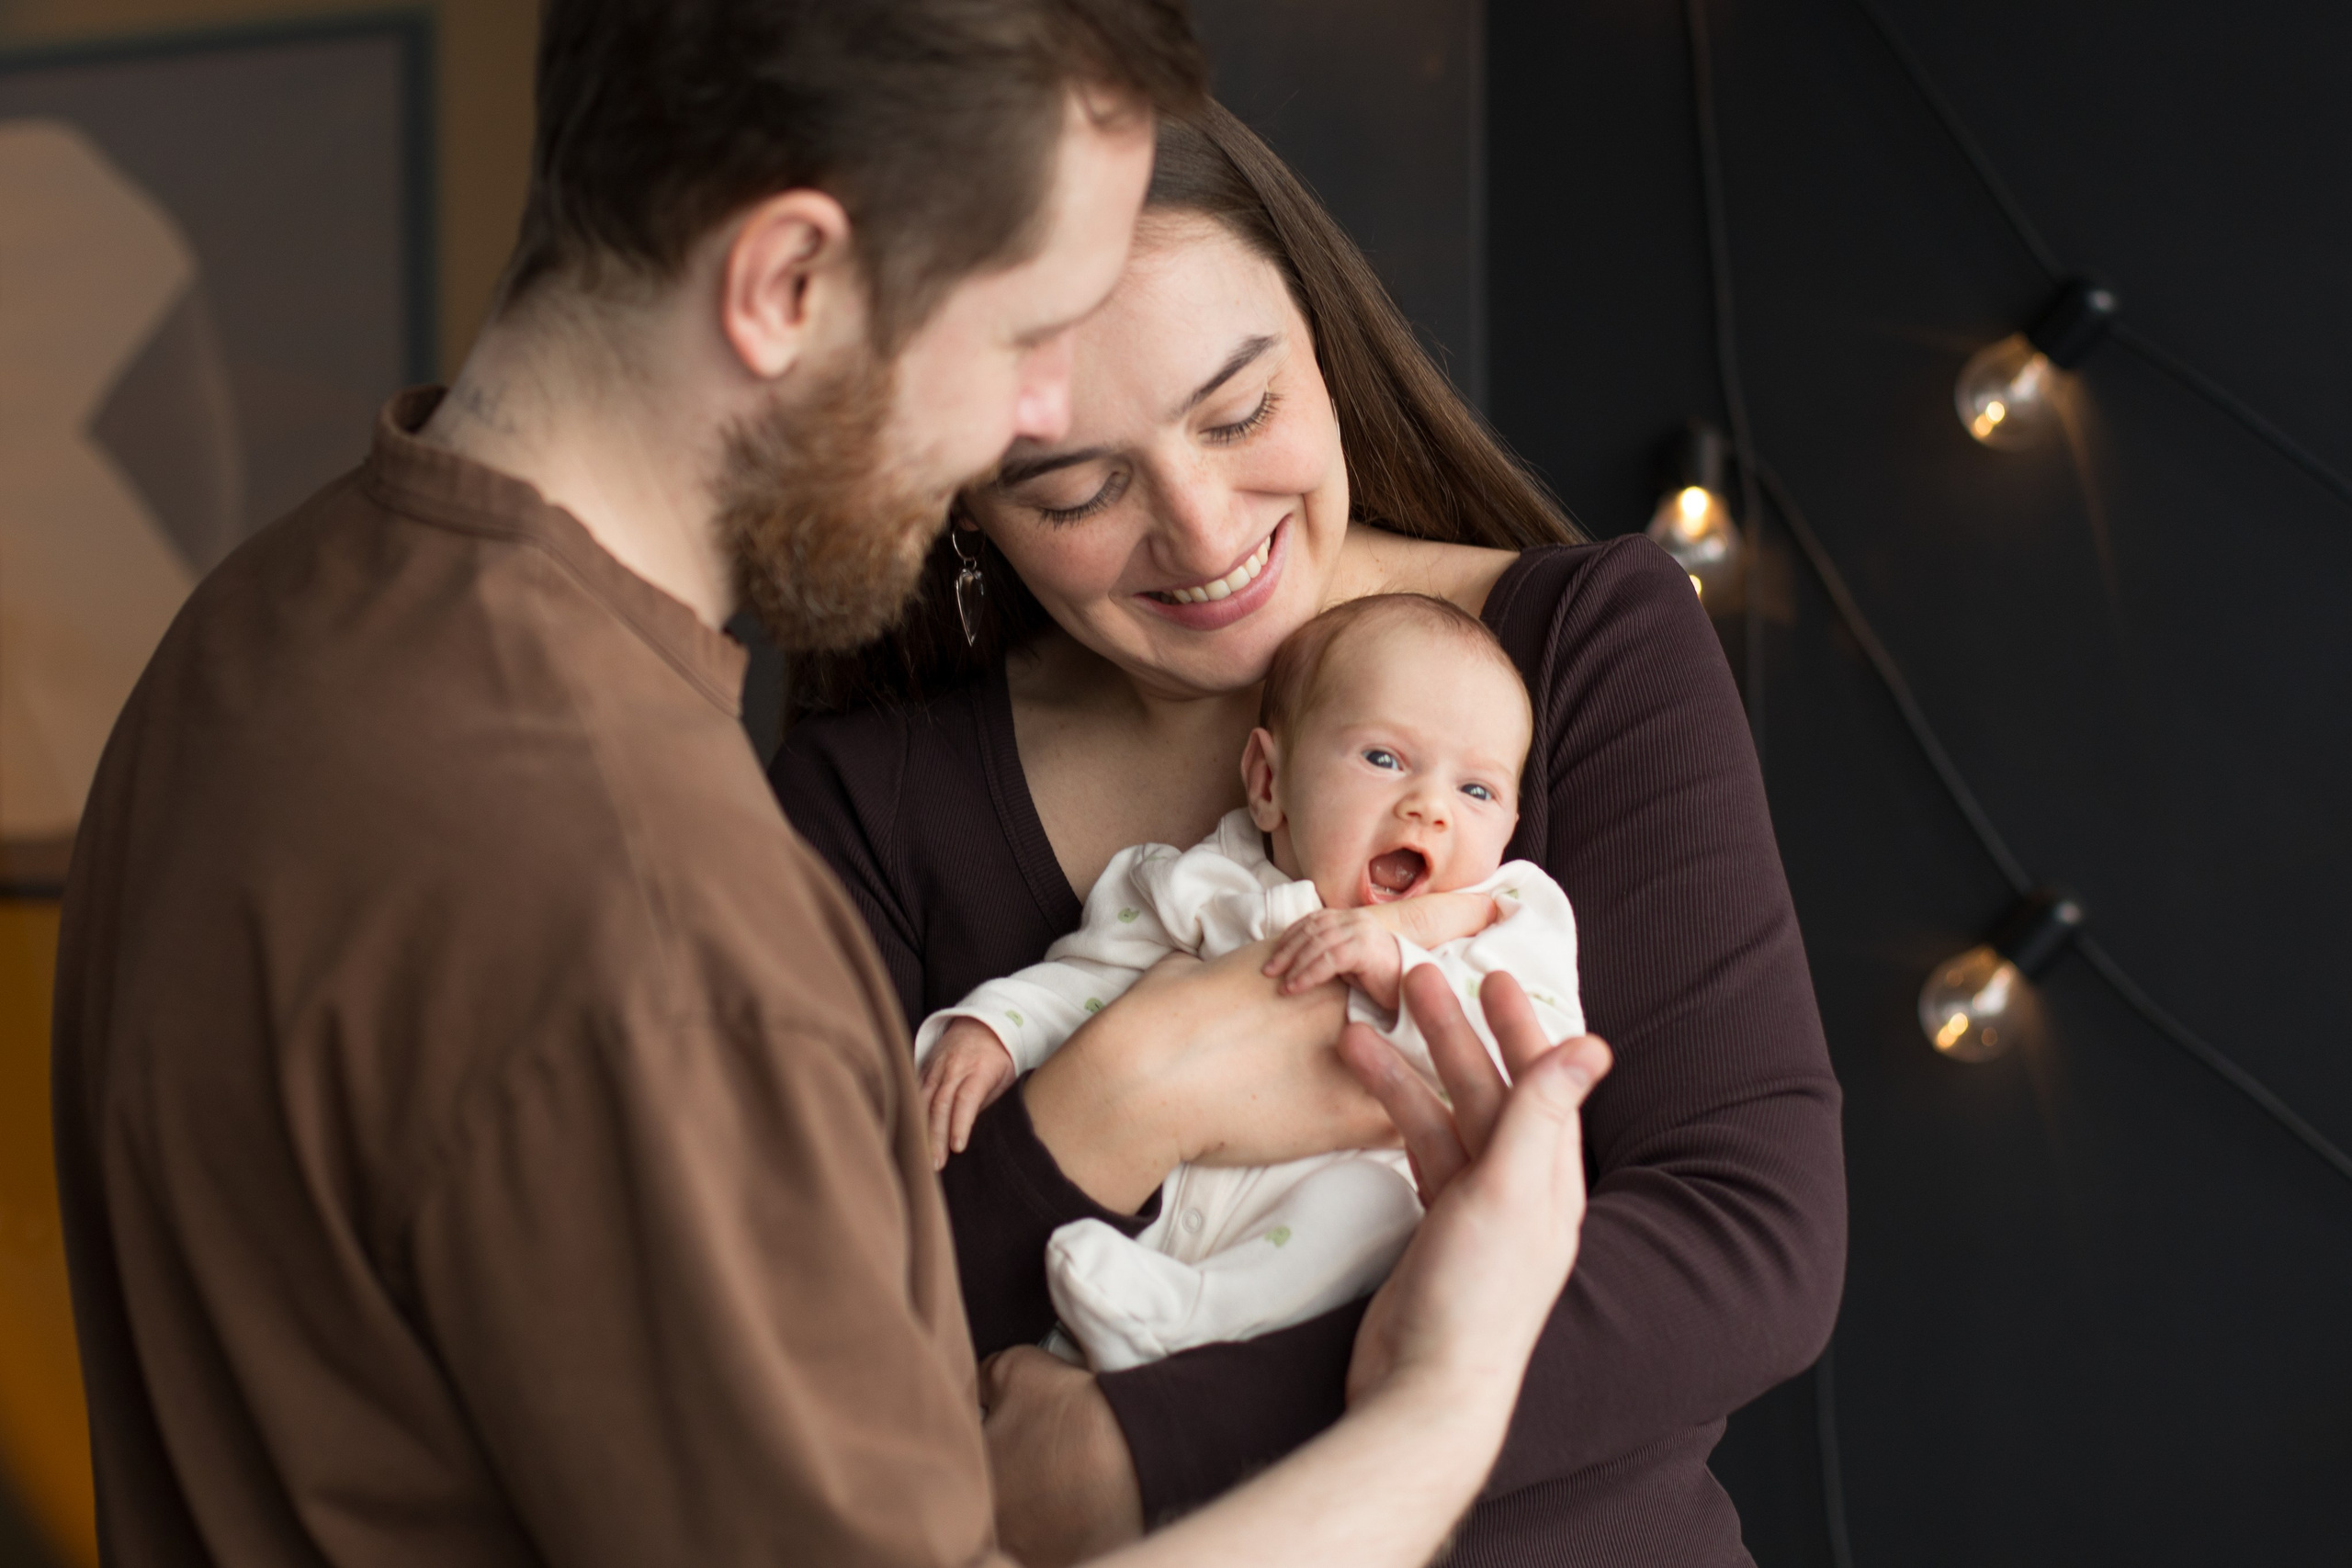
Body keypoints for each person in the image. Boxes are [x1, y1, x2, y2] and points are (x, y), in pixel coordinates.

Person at [49, 5, 1611, 1567]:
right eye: (1025, 336)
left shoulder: (252, 632)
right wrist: (1448, 1392)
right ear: (788, 282)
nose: (1038, 422)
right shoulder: (653, 908)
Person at [774, 102, 1848, 1564]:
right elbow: (792, 1367)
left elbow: (1744, 1246)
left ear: (1320, 336)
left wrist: (1139, 1454)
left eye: (1240, 413)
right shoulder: (869, 797)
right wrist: (1120, 1099)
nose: (1208, 534)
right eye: (1078, 487)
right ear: (964, 498)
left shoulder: (1579, 647)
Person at [913, 592, 1586, 1373]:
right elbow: (1089, 983)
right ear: (1269, 782)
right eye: (1383, 759)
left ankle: (1196, 1316)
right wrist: (995, 1024)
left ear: (1507, 828)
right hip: (1149, 1241)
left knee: (1374, 1211)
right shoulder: (1199, 886)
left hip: (1321, 1277)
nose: (1429, 807)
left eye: (1477, 790)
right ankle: (1133, 1328)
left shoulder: (1508, 916)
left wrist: (1399, 967)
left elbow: (1533, 1047)